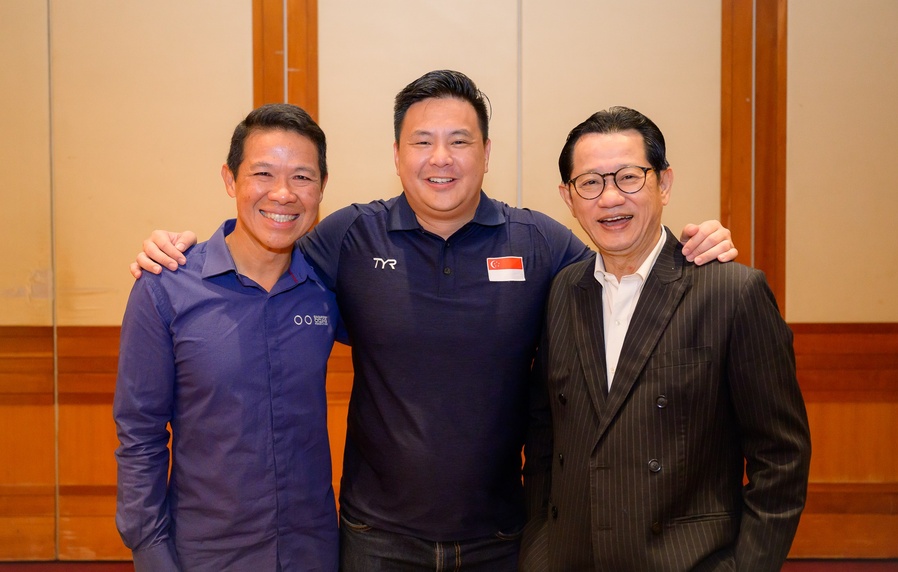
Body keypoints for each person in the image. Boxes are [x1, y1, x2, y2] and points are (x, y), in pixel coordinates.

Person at [130, 71, 738, 571]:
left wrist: (692, 247)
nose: (440, 159)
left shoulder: (539, 244)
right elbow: (260, 258)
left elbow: (626, 276)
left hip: (503, 536)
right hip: (375, 539)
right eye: (422, 141)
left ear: (487, 152)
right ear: (396, 155)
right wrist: (177, 254)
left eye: (460, 140)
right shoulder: (347, 239)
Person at [521, 106, 811, 571]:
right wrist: (537, 550)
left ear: (665, 184)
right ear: (568, 197)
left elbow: (781, 458)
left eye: (629, 177)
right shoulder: (562, 291)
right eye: (590, 183)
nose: (610, 198)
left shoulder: (730, 292)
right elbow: (544, 439)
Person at [114, 103, 343, 571]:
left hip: (312, 551)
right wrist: (151, 553)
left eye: (302, 177)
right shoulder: (165, 288)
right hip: (205, 554)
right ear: (229, 179)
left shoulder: (328, 290)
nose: (282, 194)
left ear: (322, 187)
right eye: (263, 173)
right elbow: (140, 435)